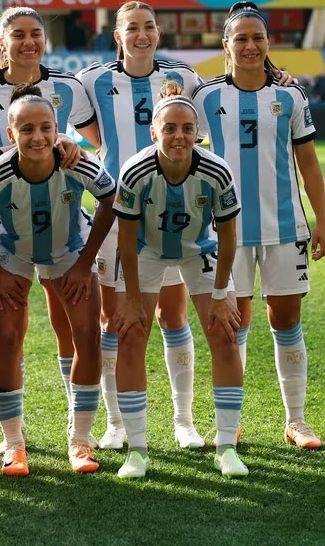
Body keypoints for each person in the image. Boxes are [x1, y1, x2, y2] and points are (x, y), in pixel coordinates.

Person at [74, 0, 297, 451]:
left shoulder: (186, 77)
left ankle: (183, 421)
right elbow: (86, 132)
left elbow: (228, 94)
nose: (142, 34)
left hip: (178, 213)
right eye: (132, 27)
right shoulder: (90, 80)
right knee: (116, 319)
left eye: (150, 26)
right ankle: (117, 424)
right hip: (120, 214)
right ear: (117, 35)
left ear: (158, 33)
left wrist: (279, 77)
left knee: (173, 315)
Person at [0, 7, 98, 453]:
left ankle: (80, 432)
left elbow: (98, 138)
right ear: (3, 43)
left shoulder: (69, 88)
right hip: (4, 224)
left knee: (71, 327)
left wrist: (73, 144)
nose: (28, 42)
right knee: (10, 332)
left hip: (62, 219)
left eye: (36, 34)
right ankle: (12, 438)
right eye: (18, 35)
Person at [0, 85, 116, 476]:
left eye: (46, 127)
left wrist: (85, 263)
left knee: (87, 335)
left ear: (59, 129)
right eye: (26, 129)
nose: (38, 137)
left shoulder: (78, 163)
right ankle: (14, 444)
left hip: (69, 249)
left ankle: (79, 440)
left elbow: (113, 200)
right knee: (10, 336)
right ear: (10, 135)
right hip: (9, 250)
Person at [193, 1, 325, 450]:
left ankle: (296, 420)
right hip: (226, 233)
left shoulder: (290, 95)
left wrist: (322, 222)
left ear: (268, 43)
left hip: (285, 228)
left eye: (258, 38)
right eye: (241, 39)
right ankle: (229, 424)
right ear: (226, 45)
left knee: (287, 321)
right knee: (233, 326)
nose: (250, 46)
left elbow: (308, 163)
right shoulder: (206, 97)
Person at [111, 94, 246, 478]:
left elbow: (228, 235)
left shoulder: (216, 172)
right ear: (154, 132)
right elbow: (126, 237)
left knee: (225, 333)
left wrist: (221, 295)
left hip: (198, 249)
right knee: (132, 334)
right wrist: (133, 299)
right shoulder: (136, 171)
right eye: (169, 128)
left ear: (198, 134)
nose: (178, 136)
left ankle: (226, 448)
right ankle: (137, 451)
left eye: (187, 128)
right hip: (146, 250)